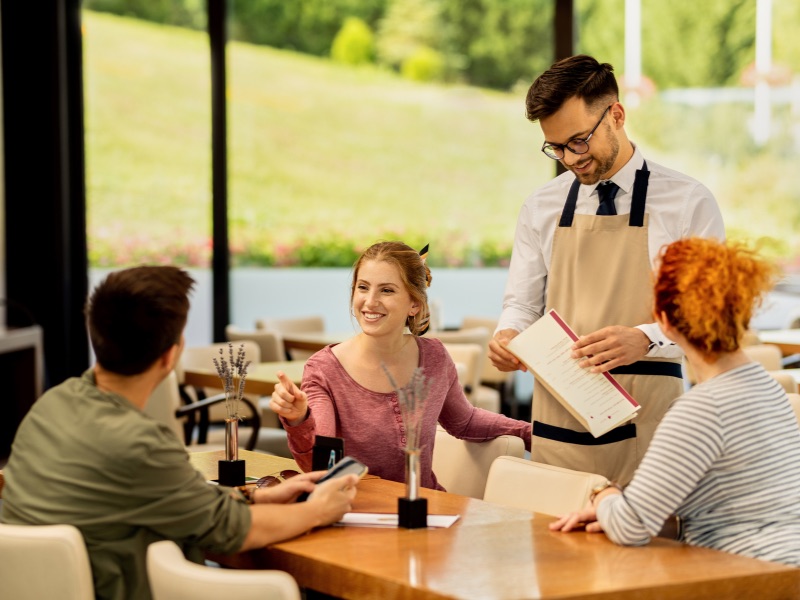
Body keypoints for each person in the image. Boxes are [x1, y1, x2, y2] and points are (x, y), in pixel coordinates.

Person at [0, 266, 358, 600]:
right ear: (170, 356)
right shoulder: (139, 442)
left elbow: (164, 496)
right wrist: (319, 510)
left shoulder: (52, 405)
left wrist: (257, 496)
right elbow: (235, 531)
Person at [488, 54, 725, 485]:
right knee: (555, 545)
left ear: (616, 115)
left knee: (650, 550)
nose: (569, 158)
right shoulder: (540, 207)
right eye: (556, 147)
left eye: (578, 141)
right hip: (560, 421)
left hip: (652, 425)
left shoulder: (689, 203)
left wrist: (644, 339)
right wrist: (508, 335)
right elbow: (521, 305)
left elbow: (709, 324)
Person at [549, 237, 800, 567]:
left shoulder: (702, 409)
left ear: (663, 320)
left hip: (746, 576)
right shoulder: (766, 388)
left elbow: (630, 527)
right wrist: (620, 511)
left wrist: (603, 494)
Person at [270, 241, 532, 489]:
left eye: (387, 290)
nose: (370, 301)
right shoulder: (324, 369)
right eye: (363, 287)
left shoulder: (434, 357)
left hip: (425, 508)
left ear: (414, 305)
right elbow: (321, 468)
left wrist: (532, 433)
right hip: (356, 513)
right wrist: (298, 420)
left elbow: (465, 421)